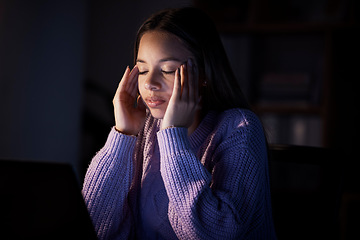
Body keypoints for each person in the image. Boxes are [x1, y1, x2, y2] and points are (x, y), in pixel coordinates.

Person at [82, 7, 277, 240]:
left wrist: (173, 135)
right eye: (142, 70)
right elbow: (94, 227)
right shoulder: (146, 128)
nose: (150, 83)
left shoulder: (240, 128)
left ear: (203, 75)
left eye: (168, 70)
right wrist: (123, 134)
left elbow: (217, 233)